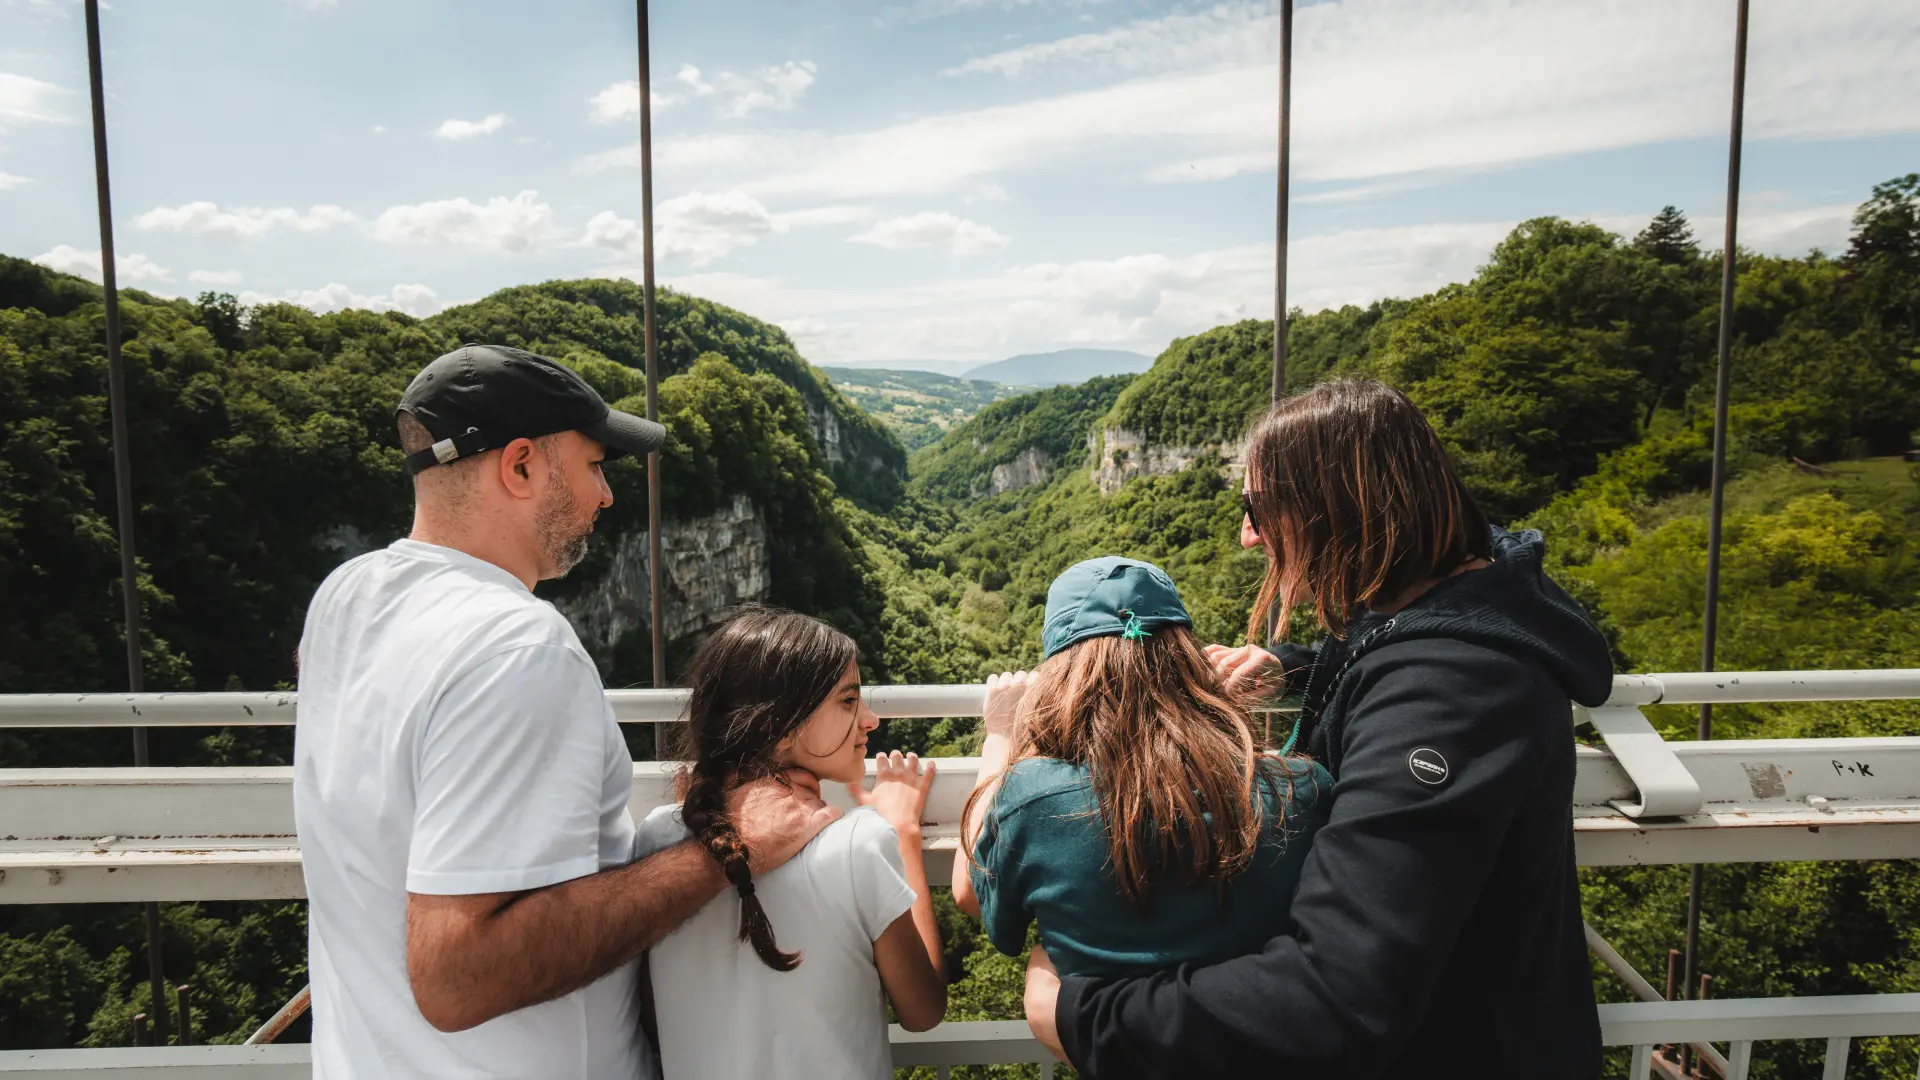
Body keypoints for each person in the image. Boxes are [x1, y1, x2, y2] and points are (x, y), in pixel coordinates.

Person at [1024, 379, 1614, 1079]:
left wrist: (1078, 1015)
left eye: (1257, 508)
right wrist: (1290, 665)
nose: (1247, 536)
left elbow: (1336, 1000)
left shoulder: (1454, 695)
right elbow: (1381, 649)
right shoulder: (1450, 606)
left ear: (1336, 508)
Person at [294, 344, 839, 1080]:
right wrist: (727, 849)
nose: (606, 496)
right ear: (519, 466)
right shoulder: (515, 646)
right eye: (592, 465)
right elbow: (458, 978)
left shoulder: (347, 597)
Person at [952, 556, 1330, 978]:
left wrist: (1000, 737)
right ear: (1190, 660)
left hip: (1105, 1036)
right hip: (1263, 1032)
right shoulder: (1299, 789)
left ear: (1059, 677)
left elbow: (970, 891)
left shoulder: (1033, 801)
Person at [634, 607, 947, 1080]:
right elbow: (923, 1011)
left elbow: (653, 1016)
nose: (870, 719)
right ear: (777, 729)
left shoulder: (658, 838)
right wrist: (901, 830)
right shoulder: (858, 842)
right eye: (848, 701)